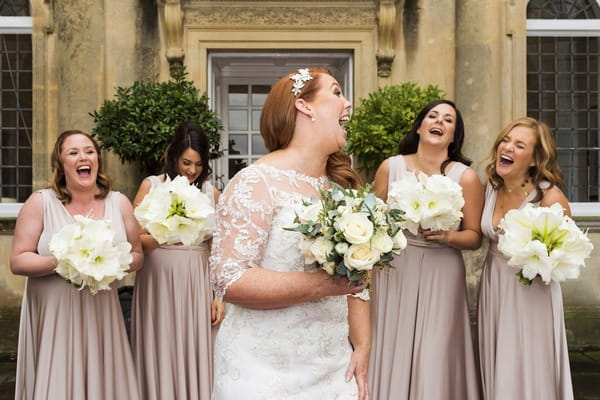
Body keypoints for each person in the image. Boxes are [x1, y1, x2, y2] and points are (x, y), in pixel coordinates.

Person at [210, 67, 370, 400]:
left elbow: (357, 282)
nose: (349, 103)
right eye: (337, 93)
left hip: (333, 368)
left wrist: (362, 346)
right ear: (304, 106)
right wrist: (323, 286)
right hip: (262, 370)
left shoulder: (342, 191)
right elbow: (230, 279)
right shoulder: (256, 183)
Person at [10, 130, 143, 400]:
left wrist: (112, 263)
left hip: (101, 313)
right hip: (55, 315)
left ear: (97, 160)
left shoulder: (119, 203)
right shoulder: (41, 202)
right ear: (60, 164)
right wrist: (64, 261)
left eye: (89, 151)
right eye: (73, 152)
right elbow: (18, 259)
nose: (83, 157)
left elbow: (137, 254)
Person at [369, 99, 483, 399]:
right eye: (433, 116)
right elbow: (372, 221)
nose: (440, 122)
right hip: (395, 267)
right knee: (392, 339)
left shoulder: (465, 177)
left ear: (453, 136)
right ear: (419, 127)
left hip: (442, 269)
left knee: (435, 348)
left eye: (449, 121)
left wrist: (448, 236)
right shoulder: (389, 167)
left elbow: (474, 237)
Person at [477, 117, 573, 399]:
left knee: (530, 365)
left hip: (532, 295)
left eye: (519, 145)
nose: (507, 147)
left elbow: (566, 253)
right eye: (505, 140)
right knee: (498, 364)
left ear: (534, 159)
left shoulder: (549, 197)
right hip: (494, 287)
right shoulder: (492, 188)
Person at [130, 120, 225, 400]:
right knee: (159, 344)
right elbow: (134, 238)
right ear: (173, 156)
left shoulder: (211, 193)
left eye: (198, 164)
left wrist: (218, 296)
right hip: (158, 279)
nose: (192, 170)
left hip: (196, 280)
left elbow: (216, 248)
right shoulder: (151, 186)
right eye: (186, 162)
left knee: (195, 346)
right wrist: (165, 232)